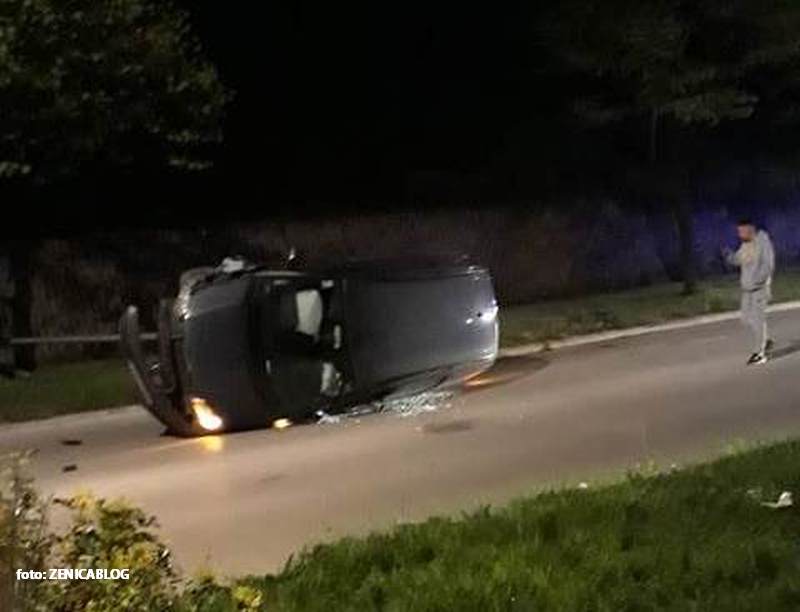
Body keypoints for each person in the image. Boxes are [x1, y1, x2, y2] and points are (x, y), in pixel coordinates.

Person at [723, 219, 775, 365]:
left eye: (741, 231)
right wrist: (728, 256)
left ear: (750, 229)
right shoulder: (746, 245)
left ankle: (760, 353)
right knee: (746, 319)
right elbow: (739, 259)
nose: (739, 234)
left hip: (759, 289)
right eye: (738, 232)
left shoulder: (763, 242)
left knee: (758, 320)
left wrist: (757, 281)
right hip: (747, 290)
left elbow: (768, 265)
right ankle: (766, 340)